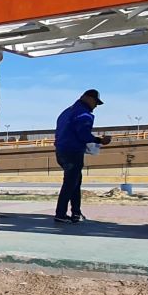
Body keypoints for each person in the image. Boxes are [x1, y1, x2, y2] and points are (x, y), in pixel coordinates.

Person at [53, 89, 112, 223]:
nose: (96, 106)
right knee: (70, 183)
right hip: (73, 152)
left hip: (61, 151)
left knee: (74, 181)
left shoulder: (66, 112)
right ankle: (60, 213)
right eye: (95, 102)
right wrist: (100, 140)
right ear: (87, 98)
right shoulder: (84, 115)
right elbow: (83, 135)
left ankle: (76, 212)